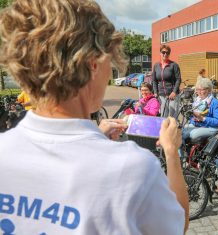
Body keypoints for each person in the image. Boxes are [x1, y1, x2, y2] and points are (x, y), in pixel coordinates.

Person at [0, 1, 189, 234]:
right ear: (93, 65)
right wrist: (171, 153)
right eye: (110, 61)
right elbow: (178, 226)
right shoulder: (134, 169)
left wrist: (94, 137)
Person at [182, 78, 218, 143]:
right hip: (197, 125)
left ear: (209, 90)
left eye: (202, 89)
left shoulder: (214, 102)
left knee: (193, 134)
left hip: (210, 127)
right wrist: (192, 117)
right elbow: (192, 118)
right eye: (198, 89)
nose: (199, 92)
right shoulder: (197, 101)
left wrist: (202, 118)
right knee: (179, 132)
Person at [152, 45, 181, 117]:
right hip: (161, 95)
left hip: (172, 95)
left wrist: (174, 92)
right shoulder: (156, 66)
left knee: (172, 117)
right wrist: (155, 92)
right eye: (163, 52)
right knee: (163, 116)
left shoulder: (174, 65)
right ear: (160, 53)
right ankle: (164, 128)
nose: (165, 54)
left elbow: (178, 79)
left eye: (167, 53)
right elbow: (154, 80)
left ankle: (173, 128)